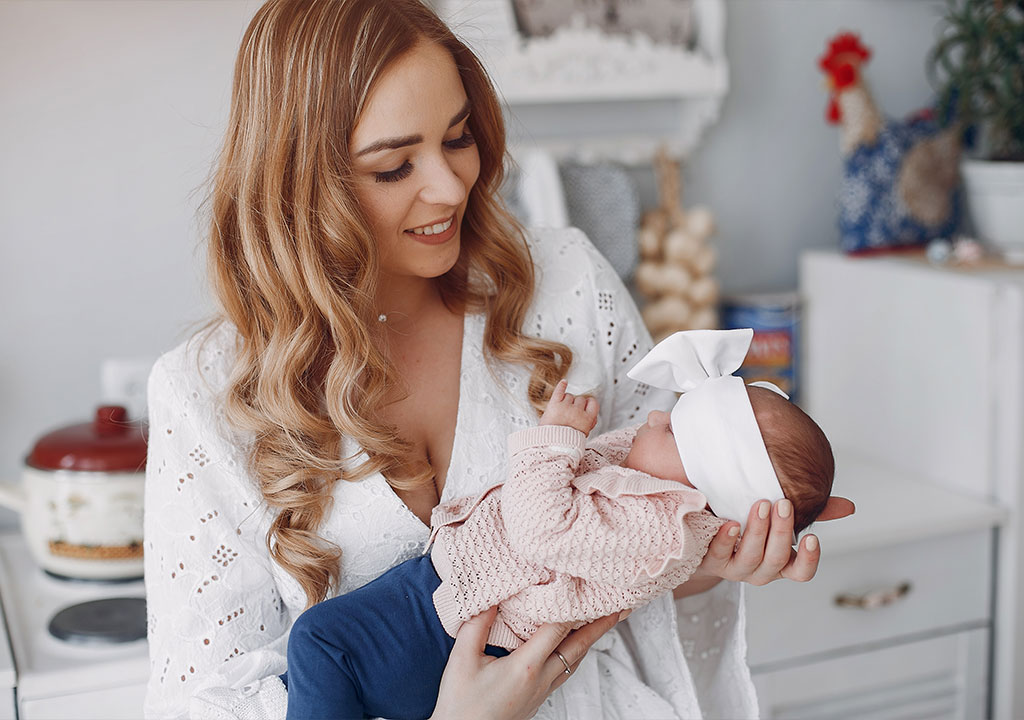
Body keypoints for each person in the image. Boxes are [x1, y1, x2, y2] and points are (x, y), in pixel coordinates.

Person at [142, 1, 855, 718]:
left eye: (458, 138)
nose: (451, 186)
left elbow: (646, 555)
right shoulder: (203, 393)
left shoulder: (568, 283)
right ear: (299, 183)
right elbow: (201, 700)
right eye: (393, 167)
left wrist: (715, 559)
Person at [284, 329, 836, 720]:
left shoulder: (660, 525)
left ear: (703, 484)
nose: (654, 417)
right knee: (324, 672)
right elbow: (613, 465)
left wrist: (556, 439)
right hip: (451, 598)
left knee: (319, 642)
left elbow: (543, 528)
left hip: (454, 633)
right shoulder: (658, 494)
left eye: (673, 430)